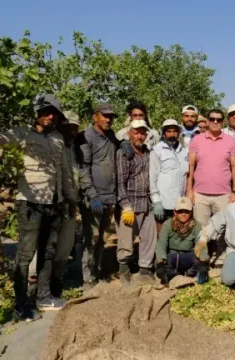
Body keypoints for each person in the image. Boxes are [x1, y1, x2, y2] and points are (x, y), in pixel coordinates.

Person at [0, 94, 75, 320]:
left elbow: (64, 172)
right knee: (25, 254)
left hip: (55, 203)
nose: (50, 117)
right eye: (47, 112)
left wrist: (69, 199)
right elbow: (4, 138)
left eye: (55, 114)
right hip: (30, 203)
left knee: (48, 252)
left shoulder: (58, 138)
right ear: (37, 112)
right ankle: (21, 304)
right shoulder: (24, 133)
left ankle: (43, 297)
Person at [28, 111, 82, 295]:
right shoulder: (50, 145)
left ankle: (55, 281)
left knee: (65, 246)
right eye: (68, 128)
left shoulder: (74, 149)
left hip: (69, 205)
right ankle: (34, 284)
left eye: (75, 128)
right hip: (51, 203)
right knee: (45, 245)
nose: (72, 132)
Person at [77, 102, 129, 282]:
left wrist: (123, 144)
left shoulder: (110, 135)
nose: (108, 119)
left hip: (109, 197)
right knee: (91, 239)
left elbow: (115, 147)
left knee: (103, 238)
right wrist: (92, 195)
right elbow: (83, 169)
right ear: (95, 116)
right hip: (94, 198)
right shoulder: (86, 137)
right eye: (104, 115)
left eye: (111, 116)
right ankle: (87, 278)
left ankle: (97, 272)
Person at [186, 109, 235, 261]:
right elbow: (190, 166)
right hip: (200, 194)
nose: (215, 122)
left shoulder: (230, 141)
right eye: (212, 119)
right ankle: (202, 260)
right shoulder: (197, 140)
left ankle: (222, 261)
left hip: (223, 194)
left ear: (223, 122)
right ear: (207, 121)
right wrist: (189, 190)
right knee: (201, 231)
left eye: (219, 119)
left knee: (224, 229)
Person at [116, 119, 157, 281]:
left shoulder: (148, 152)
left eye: (142, 132)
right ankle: (124, 269)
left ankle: (145, 269)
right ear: (129, 134)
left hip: (147, 202)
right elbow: (120, 181)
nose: (139, 135)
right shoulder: (124, 153)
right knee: (126, 239)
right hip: (130, 203)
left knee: (149, 236)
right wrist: (125, 205)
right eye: (136, 132)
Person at [154, 196, 205, 285]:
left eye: (186, 211)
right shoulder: (167, 224)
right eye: (180, 211)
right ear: (175, 212)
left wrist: (202, 261)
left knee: (199, 263)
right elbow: (161, 244)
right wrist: (160, 263)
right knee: (160, 266)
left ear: (191, 212)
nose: (183, 214)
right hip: (172, 257)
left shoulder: (197, 225)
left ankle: (188, 274)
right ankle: (173, 274)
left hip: (188, 257)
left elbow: (200, 244)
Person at [150, 119, 188, 232]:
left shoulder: (183, 150)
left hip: (180, 202)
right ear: (164, 133)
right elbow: (153, 177)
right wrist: (156, 201)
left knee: (177, 236)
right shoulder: (157, 150)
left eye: (174, 131)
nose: (172, 134)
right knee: (162, 236)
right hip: (164, 203)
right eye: (169, 131)